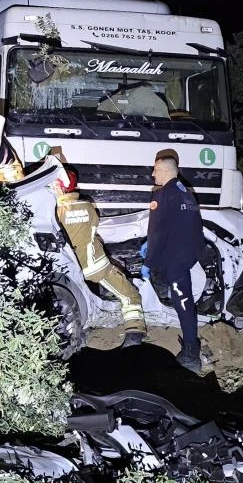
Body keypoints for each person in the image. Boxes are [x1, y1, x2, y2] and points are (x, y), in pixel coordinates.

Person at [52, 163, 148, 348]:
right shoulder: (87, 206)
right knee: (130, 295)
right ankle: (134, 336)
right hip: (97, 266)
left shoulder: (54, 211)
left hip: (73, 268)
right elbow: (92, 228)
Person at [143, 148, 206, 372]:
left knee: (183, 302)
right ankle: (190, 346)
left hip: (175, 258)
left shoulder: (162, 195)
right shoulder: (186, 192)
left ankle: (191, 354)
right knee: (184, 300)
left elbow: (157, 233)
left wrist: (149, 262)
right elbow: (193, 224)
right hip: (187, 255)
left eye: (156, 170)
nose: (153, 174)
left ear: (167, 171)